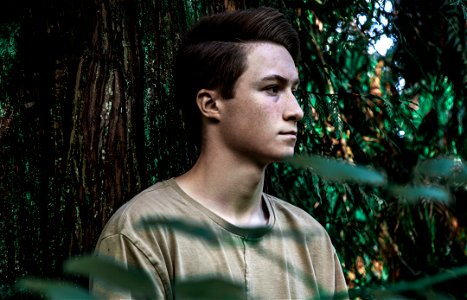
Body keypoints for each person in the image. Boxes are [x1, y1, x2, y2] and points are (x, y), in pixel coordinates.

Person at [90, 6, 348, 299]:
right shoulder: (142, 235)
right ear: (210, 104)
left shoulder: (311, 242)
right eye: (273, 89)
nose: (296, 111)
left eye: (293, 90)